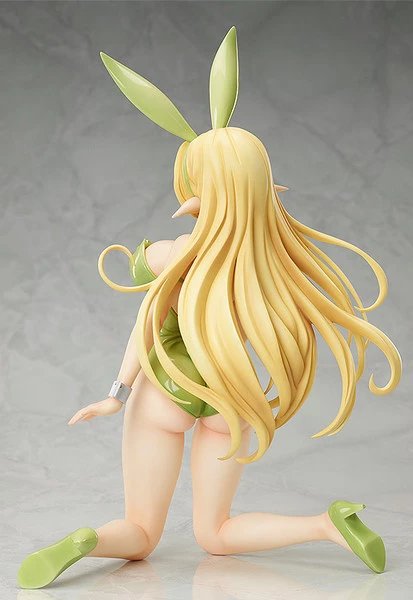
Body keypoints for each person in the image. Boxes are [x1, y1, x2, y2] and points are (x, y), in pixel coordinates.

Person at [18, 27, 402, 589]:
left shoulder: (170, 254)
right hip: (232, 395)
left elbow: (147, 324)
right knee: (216, 534)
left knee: (140, 530)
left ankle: (90, 541)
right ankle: (326, 526)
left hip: (165, 391)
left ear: (197, 190)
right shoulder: (274, 258)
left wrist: (116, 394)